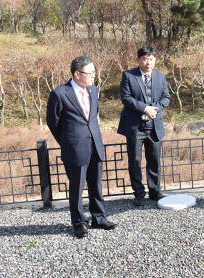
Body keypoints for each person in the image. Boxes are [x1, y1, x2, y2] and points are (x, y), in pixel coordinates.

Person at [47, 56, 117, 238]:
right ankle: (79, 223)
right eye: (90, 73)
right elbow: (53, 123)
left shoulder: (93, 90)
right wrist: (67, 141)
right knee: (77, 187)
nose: (94, 76)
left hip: (95, 144)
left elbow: (93, 117)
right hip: (74, 147)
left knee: (96, 185)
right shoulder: (60, 93)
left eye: (95, 72)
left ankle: (99, 218)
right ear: (77, 74)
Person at [117, 46, 171, 207]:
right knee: (135, 160)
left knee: (154, 160)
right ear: (138, 60)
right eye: (145, 59)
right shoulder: (128, 75)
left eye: (152, 58)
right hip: (134, 126)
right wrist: (144, 108)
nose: (149, 62)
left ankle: (155, 192)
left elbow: (166, 97)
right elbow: (125, 98)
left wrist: (154, 110)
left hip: (154, 125)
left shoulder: (160, 77)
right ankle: (139, 194)